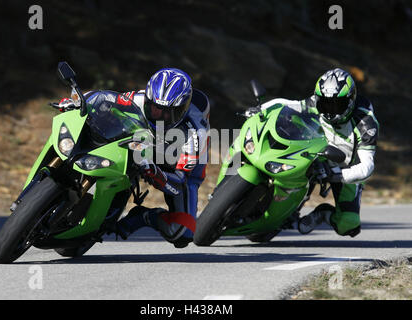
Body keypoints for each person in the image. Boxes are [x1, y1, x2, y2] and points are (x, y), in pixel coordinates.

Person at [59, 68, 210, 248]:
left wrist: (156, 173)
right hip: (146, 144)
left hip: (177, 165)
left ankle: (143, 217)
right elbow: (102, 99)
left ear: (182, 109)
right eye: (154, 107)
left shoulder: (196, 132)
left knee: (182, 232)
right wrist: (76, 102)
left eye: (167, 112)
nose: (159, 115)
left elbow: (179, 183)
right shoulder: (138, 98)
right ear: (148, 98)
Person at [246, 68, 379, 237]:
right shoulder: (316, 102)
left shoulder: (366, 124)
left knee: (348, 225)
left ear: (351, 100)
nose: (330, 110)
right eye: (325, 104)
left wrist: (336, 175)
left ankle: (323, 213)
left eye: (338, 105)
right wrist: (261, 109)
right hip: (315, 152)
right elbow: (287, 104)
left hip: (345, 167)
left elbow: (367, 167)